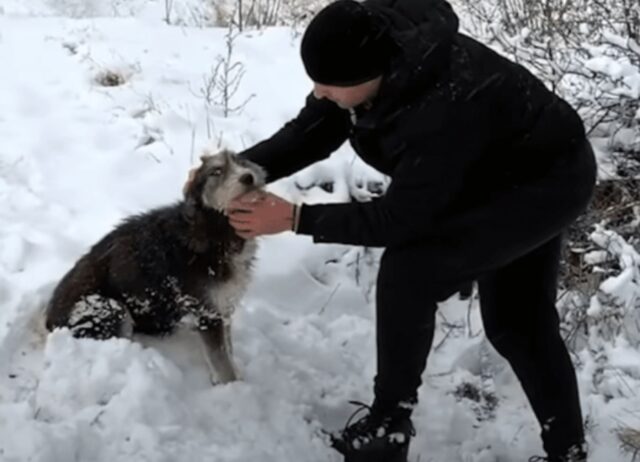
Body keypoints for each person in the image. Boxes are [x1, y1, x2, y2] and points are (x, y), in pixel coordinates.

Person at [213, 0, 597, 460]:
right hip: (486, 167)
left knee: (441, 286)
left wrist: (296, 219)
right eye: (316, 80)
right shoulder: (367, 58)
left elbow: (400, 220)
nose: (318, 92)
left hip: (542, 181)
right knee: (507, 317)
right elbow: (313, 129)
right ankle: (563, 450)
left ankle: (391, 429)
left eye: (330, 84)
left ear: (370, 74)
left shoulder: (442, 107)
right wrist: (236, 172)